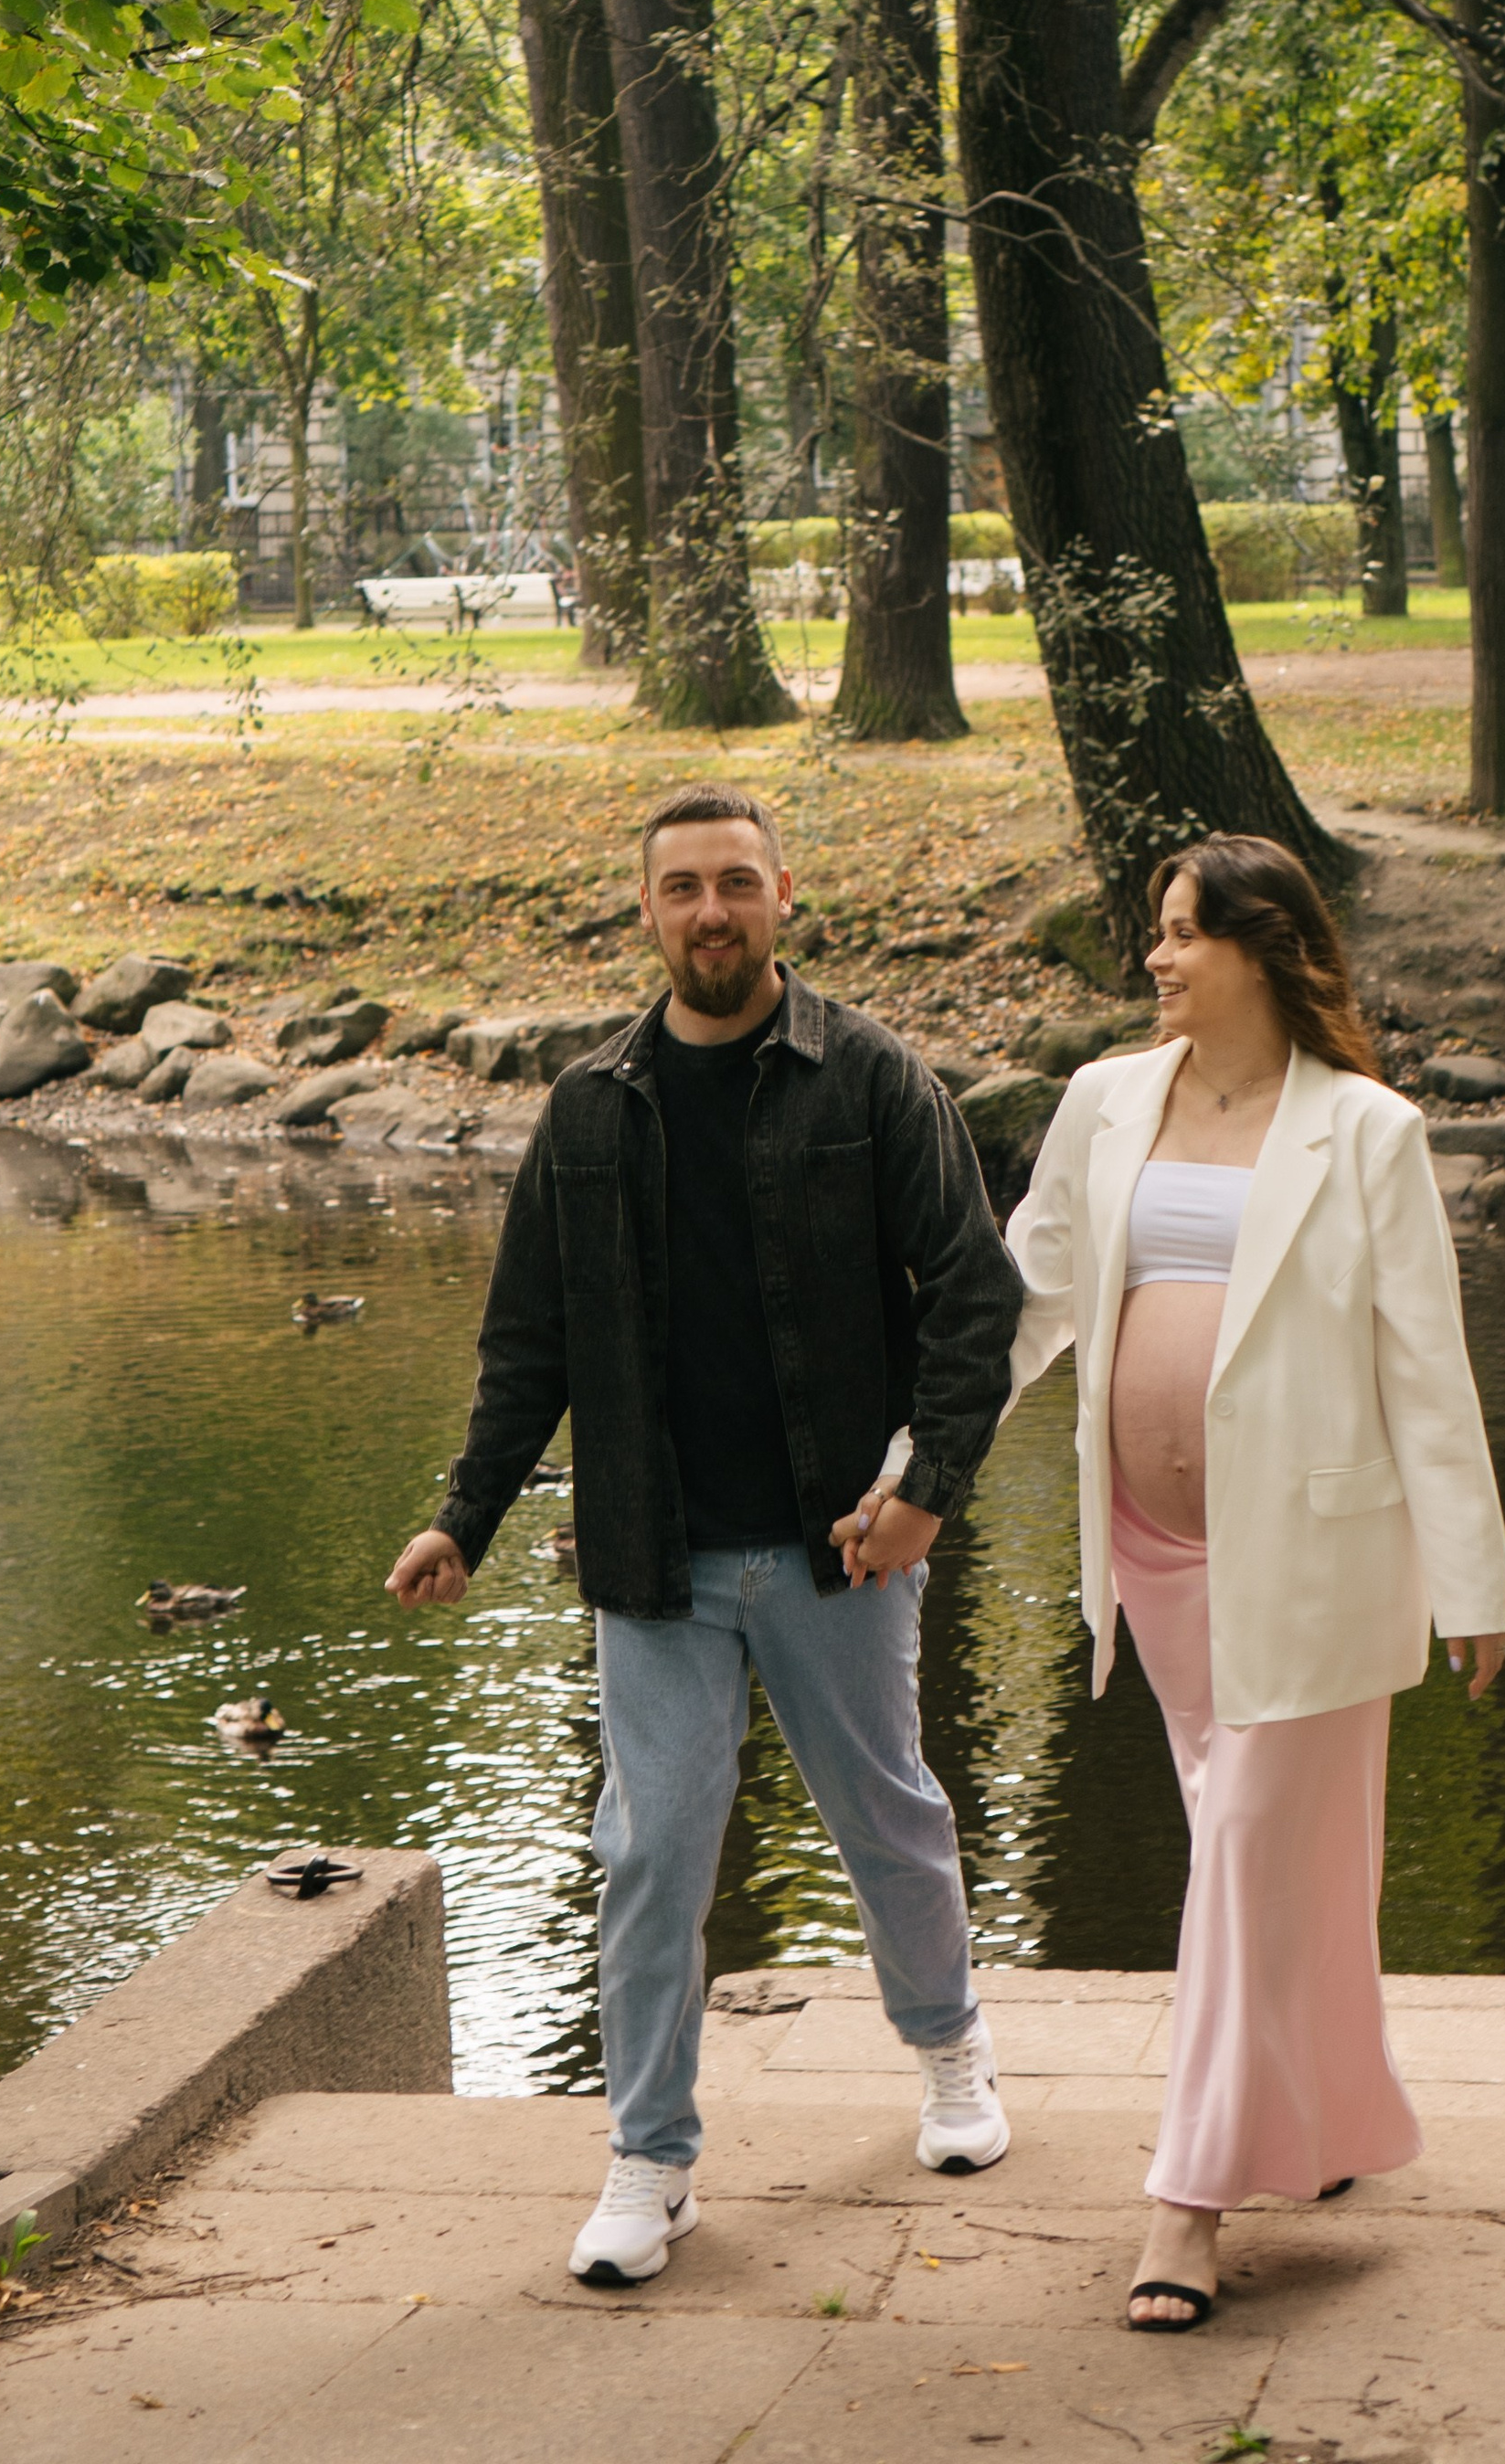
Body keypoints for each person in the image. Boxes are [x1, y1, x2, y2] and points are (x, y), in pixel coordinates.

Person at [386, 783, 1024, 2289]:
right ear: (650, 911)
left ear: (785, 895)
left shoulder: (871, 1080)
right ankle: (651, 2158)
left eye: (737, 883)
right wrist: (461, 1515)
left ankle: (950, 2057)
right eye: (683, 889)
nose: (711, 912)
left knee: (888, 1819)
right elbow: (528, 1340)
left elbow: (975, 1295)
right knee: (650, 1855)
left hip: (837, 1551)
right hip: (654, 1559)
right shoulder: (591, 1105)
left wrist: (927, 1484)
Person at [998, 831, 1505, 2331]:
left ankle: (1189, 2201)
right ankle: (1333, 2122)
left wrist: (1472, 1579)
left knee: (1239, 1848)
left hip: (1317, 1561)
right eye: (1155, 933)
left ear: (1262, 949)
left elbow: (1427, 1371)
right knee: (1274, 1866)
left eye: (1179, 935)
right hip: (1156, 1555)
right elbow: (1027, 1301)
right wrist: (920, 1466)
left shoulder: (1366, 1133)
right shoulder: (1104, 1104)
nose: (1154, 958)